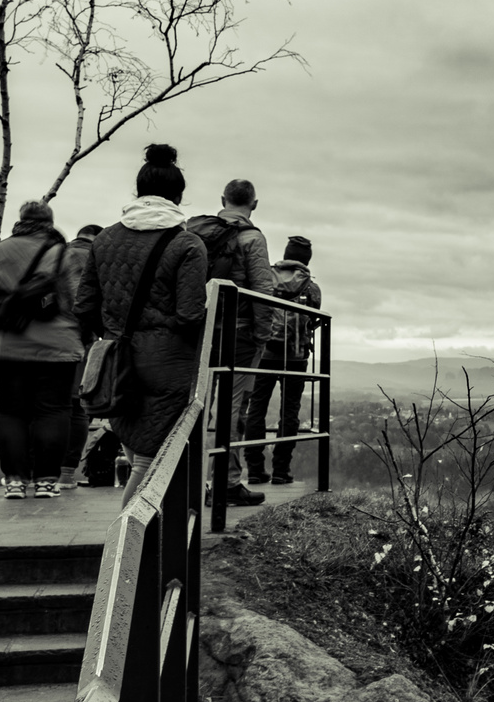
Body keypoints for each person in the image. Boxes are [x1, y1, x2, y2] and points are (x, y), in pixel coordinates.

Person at [75, 144, 209, 503]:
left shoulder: (104, 238)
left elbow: (85, 304)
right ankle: (123, 544)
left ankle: (141, 547)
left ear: (138, 192)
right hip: (167, 363)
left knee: (136, 449)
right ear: (178, 196)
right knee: (149, 461)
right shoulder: (187, 244)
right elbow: (190, 314)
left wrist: (110, 335)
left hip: (117, 358)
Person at [0, 200, 82, 498]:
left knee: (11, 412)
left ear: (21, 220)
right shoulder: (63, 252)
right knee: (53, 411)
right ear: (49, 222)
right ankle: (47, 482)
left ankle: (15, 481)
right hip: (58, 345)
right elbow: (76, 298)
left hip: (8, 344)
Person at [184, 178, 280, 507]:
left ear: (222, 199)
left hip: (199, 330)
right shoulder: (252, 238)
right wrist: (262, 334)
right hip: (238, 334)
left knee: (196, 405)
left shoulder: (196, 232)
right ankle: (225, 483)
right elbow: (262, 291)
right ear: (254, 204)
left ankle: (191, 480)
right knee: (231, 409)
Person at [243, 235, 320, 484]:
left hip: (264, 352)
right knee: (290, 412)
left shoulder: (267, 277)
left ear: (286, 254)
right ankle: (281, 470)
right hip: (296, 356)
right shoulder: (311, 287)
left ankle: (254, 468)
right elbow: (314, 320)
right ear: (306, 260)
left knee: (256, 408)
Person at [57, 223, 111, 489]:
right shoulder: (99, 256)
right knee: (78, 407)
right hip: (84, 339)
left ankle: (40, 473)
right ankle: (66, 474)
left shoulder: (57, 254)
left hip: (50, 337)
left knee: (50, 406)